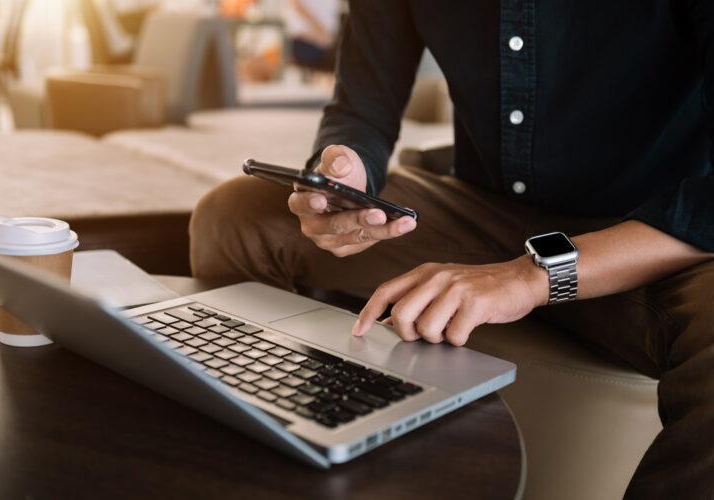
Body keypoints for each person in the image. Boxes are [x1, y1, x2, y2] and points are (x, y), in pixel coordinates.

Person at [189, 1, 714, 497]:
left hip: (659, 237)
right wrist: (346, 173)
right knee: (237, 219)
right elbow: (362, 105)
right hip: (484, 210)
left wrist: (529, 276)